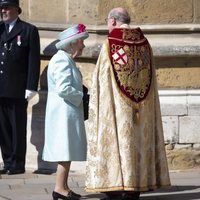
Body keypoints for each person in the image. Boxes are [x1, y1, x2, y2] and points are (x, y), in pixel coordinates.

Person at [85, 7, 171, 200]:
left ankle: (116, 186)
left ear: (113, 21)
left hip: (117, 108)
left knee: (118, 142)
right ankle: (136, 187)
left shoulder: (110, 44)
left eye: (108, 22)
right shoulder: (144, 43)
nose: (108, 26)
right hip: (143, 109)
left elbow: (102, 80)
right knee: (137, 143)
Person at [42, 24, 89, 200]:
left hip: (66, 112)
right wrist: (82, 96)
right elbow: (64, 89)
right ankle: (59, 188)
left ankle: (63, 187)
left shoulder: (66, 59)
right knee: (64, 151)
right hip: (63, 114)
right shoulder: (61, 59)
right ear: (72, 43)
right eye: (81, 42)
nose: (83, 46)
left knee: (66, 151)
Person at [0, 0, 40, 175]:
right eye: (1, 8)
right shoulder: (0, 29)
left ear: (17, 9)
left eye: (7, 7)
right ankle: (7, 161)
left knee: (17, 127)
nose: (3, 11)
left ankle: (17, 163)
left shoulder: (28, 30)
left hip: (17, 88)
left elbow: (33, 60)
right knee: (3, 128)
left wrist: (31, 86)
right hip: (1, 87)